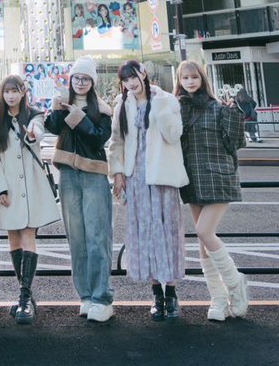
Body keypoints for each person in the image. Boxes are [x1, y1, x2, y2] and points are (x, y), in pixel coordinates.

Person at [106, 60, 187, 320]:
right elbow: (116, 141)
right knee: (146, 234)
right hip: (137, 179)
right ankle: (156, 294)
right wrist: (118, 173)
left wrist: (160, 108)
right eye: (125, 79)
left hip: (162, 178)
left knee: (168, 232)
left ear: (144, 74)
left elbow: (174, 135)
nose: (131, 83)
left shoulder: (166, 100)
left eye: (134, 77)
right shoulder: (123, 105)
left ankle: (171, 293)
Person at [175, 60, 248, 321]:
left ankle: (235, 286)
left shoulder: (218, 107)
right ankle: (218, 299)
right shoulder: (176, 109)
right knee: (203, 241)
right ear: (179, 81)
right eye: (185, 78)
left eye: (194, 77)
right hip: (192, 178)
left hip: (218, 177)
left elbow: (236, 142)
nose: (190, 82)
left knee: (204, 232)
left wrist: (235, 114)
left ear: (202, 79)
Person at [44, 57, 114, 322]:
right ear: (70, 79)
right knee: (76, 238)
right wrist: (57, 108)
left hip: (94, 173)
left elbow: (98, 138)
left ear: (92, 82)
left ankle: (102, 297)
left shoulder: (103, 109)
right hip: (68, 174)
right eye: (76, 78)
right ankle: (85, 295)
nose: (80, 83)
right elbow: (52, 128)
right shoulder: (64, 103)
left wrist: (77, 117)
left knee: (97, 237)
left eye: (85, 79)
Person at [0, 74, 59, 324]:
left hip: (31, 188)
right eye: (6, 92)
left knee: (28, 236)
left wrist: (32, 135)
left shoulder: (34, 116)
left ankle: (24, 297)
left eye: (15, 91)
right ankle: (26, 297)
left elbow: (37, 132)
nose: (10, 96)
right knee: (13, 239)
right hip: (8, 189)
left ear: (23, 93)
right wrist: (0, 189)